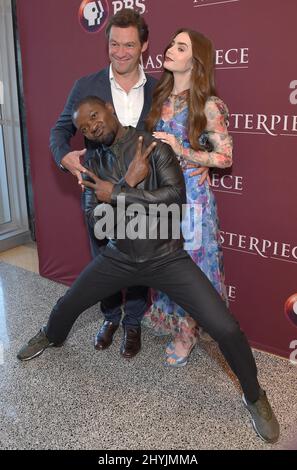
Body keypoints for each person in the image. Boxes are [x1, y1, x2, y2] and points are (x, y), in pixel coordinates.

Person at [17, 97, 279, 444]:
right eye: (83, 127)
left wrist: (119, 193)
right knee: (67, 305)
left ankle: (255, 396)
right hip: (119, 257)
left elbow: (174, 199)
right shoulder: (93, 163)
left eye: (94, 117)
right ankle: (51, 335)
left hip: (166, 258)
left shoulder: (154, 146)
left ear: (110, 110)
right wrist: (124, 185)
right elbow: (98, 223)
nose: (91, 127)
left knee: (226, 329)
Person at [49, 9, 157, 357]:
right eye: (114, 44)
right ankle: (110, 317)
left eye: (129, 44)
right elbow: (59, 131)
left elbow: (178, 134)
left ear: (144, 46)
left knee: (139, 257)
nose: (121, 52)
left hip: (142, 191)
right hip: (99, 191)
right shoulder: (86, 85)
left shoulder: (159, 88)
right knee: (104, 258)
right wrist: (64, 157)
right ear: (106, 44)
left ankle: (133, 324)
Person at [143, 28, 232, 367]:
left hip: (193, 202)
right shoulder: (160, 98)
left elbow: (225, 157)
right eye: (171, 44)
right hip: (161, 197)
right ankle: (175, 322)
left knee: (192, 269)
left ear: (195, 62)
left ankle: (188, 333)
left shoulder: (210, 105)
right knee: (166, 263)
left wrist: (186, 152)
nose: (170, 49)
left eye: (180, 47)